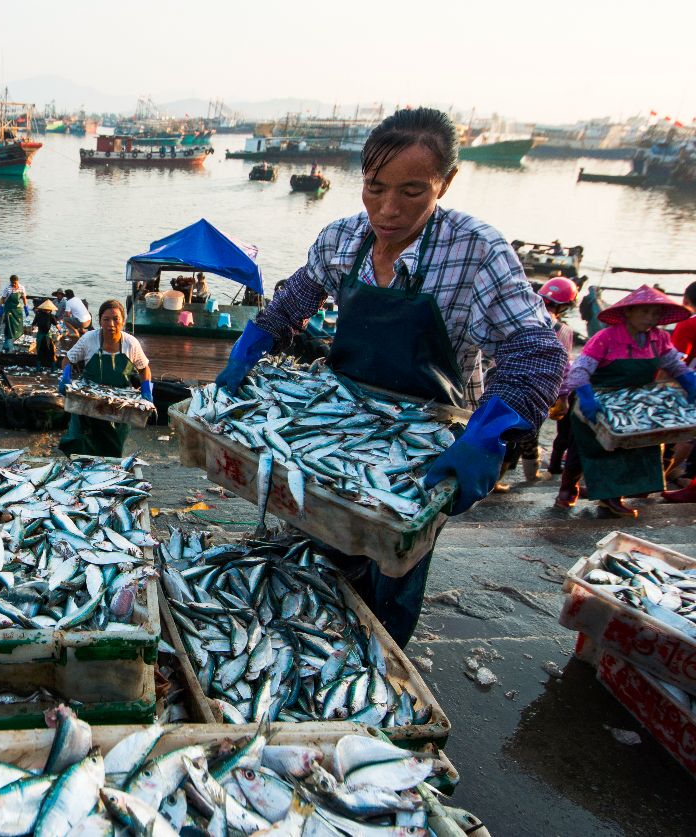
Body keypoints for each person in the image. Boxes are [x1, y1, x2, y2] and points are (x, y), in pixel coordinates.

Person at [213, 107, 567, 646]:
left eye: (412, 192)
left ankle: (380, 657)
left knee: (394, 564)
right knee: (314, 537)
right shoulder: (343, 240)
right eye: (375, 188)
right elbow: (298, 297)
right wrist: (252, 343)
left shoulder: (477, 250)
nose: (388, 210)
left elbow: (535, 351)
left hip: (427, 435)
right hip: (340, 424)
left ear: (445, 183)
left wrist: (490, 431)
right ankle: (309, 636)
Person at [556, 286, 696, 515]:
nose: (650, 318)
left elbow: (674, 364)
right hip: (598, 398)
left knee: (627, 448)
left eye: (655, 314)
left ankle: (612, 498)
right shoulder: (606, 337)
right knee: (583, 449)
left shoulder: (658, 338)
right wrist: (588, 398)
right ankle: (568, 489)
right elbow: (579, 371)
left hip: (633, 402)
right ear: (628, 312)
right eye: (645, 312)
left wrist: (689, 381)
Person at [58, 299, 152, 459]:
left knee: (112, 449)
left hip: (117, 406)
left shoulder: (131, 343)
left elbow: (144, 368)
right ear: (100, 321)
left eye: (116, 319)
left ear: (123, 320)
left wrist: (146, 389)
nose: (111, 324)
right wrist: (65, 377)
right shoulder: (89, 339)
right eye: (106, 319)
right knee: (79, 443)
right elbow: (68, 359)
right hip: (87, 401)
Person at [537, 277, 580, 477]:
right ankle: (547, 468)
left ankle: (506, 467)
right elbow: (564, 366)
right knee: (530, 429)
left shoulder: (525, 317)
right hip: (543, 387)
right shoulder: (563, 330)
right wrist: (563, 397)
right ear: (566, 306)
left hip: (509, 378)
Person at [662, 282, 696, 501]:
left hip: (688, 385)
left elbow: (673, 360)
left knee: (682, 433)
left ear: (685, 300)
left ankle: (664, 475)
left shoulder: (687, 325)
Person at [0, 275, 29, 351]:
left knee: (18, 324)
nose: (14, 285)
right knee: (9, 324)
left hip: (17, 309)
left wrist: (26, 307)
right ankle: (7, 340)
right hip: (9, 309)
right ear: (10, 282)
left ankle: (17, 338)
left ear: (17, 281)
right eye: (12, 283)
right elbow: (3, 298)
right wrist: (0, 306)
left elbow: (24, 298)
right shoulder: (7, 288)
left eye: (15, 283)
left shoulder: (22, 288)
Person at [33, 299, 59, 368]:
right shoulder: (51, 316)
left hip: (41, 335)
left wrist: (33, 328)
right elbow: (57, 326)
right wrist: (60, 332)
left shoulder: (38, 315)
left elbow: (33, 325)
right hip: (46, 335)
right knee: (50, 350)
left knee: (40, 350)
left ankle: (38, 367)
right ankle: (53, 367)